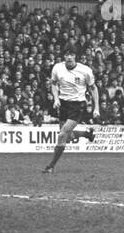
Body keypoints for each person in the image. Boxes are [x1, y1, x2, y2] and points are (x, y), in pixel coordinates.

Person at [42, 43, 98, 173]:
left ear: (75, 56)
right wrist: (56, 98)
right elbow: (54, 84)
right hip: (63, 104)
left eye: (71, 54)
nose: (69, 57)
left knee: (62, 134)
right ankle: (86, 134)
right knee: (68, 136)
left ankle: (50, 166)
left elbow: (94, 89)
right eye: (67, 54)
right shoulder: (57, 68)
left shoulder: (85, 71)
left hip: (78, 105)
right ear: (64, 56)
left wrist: (96, 109)